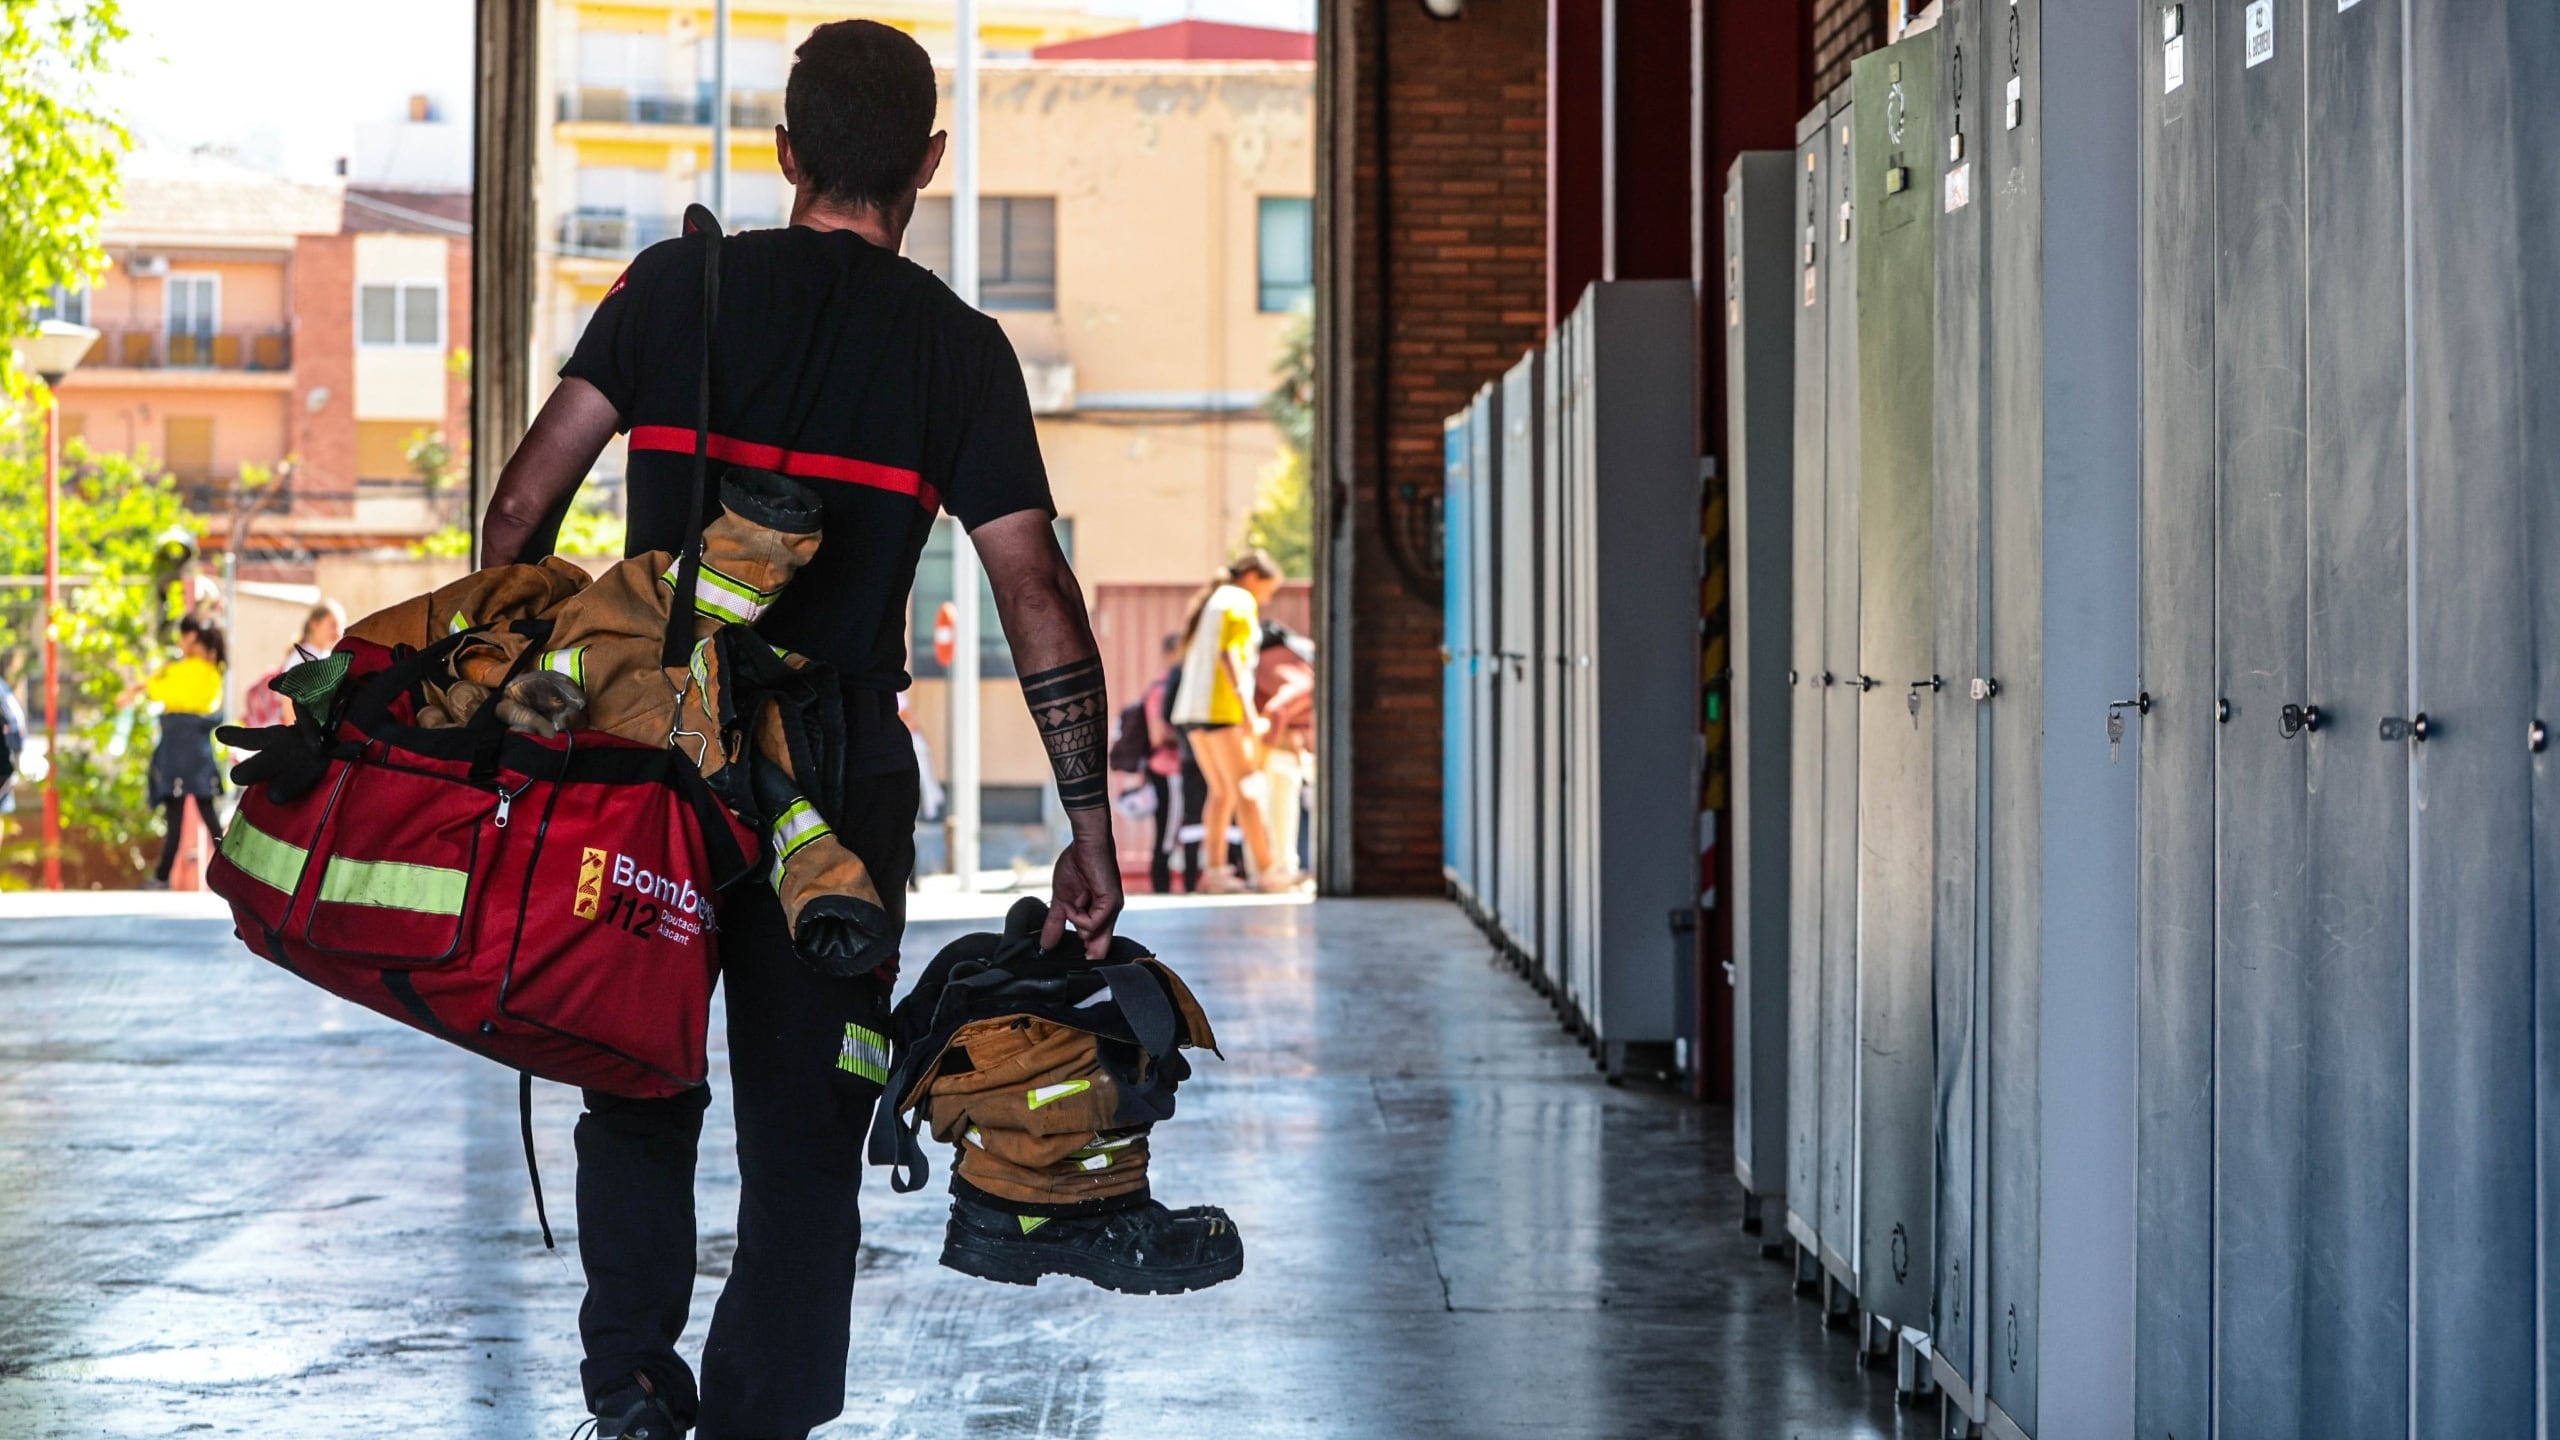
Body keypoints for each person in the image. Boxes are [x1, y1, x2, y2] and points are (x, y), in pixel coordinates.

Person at [473, 22, 1153, 1440]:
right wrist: (1088, 824)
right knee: (806, 1136)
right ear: (929, 164)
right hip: (838, 793)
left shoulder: (672, 291)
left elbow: (521, 509)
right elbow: (1033, 586)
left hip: (649, 766)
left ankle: (634, 1388)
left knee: (637, 1081)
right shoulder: (957, 354)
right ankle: (757, 1419)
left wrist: (522, 701)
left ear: (785, 155)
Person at [1168, 551, 1293, 892]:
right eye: (1269, 588)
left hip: (1192, 711)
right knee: (1247, 788)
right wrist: (1249, 712)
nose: (1268, 597)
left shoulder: (1214, 601)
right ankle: (1269, 873)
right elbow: (1230, 656)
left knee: (1222, 793)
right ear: (1253, 576)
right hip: (1220, 710)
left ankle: (1216, 872)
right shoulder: (1238, 601)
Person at [124, 616, 226, 890]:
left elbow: (157, 690)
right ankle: (233, 869)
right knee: (208, 813)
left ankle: (161, 876)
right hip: (199, 749)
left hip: (177, 747)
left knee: (176, 817)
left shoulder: (180, 670)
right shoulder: (214, 673)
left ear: (191, 638)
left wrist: (140, 686)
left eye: (183, 637)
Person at [1254, 620, 1316, 883]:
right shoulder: (1307, 678)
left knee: (1265, 812)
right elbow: (1278, 709)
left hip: (1266, 741)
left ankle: (1268, 872)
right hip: (1275, 748)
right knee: (1281, 814)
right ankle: (1279, 872)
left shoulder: (1265, 660)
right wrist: (1266, 752)